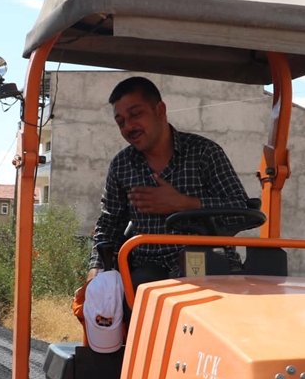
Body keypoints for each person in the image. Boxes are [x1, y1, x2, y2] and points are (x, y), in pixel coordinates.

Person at [87, 76, 251, 285]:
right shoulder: (121, 165)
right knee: (113, 303)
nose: (129, 126)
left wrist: (184, 204)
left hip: (209, 264)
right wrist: (96, 268)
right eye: (121, 122)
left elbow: (240, 210)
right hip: (148, 270)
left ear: (160, 110)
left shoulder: (204, 153)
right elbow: (109, 224)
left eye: (136, 114)